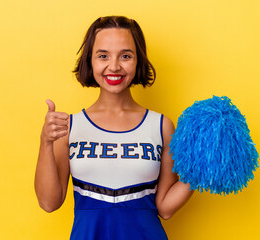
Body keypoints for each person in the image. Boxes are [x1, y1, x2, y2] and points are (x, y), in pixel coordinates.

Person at [35, 16, 194, 240]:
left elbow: (165, 209)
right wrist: (46, 142)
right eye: (103, 56)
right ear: (90, 61)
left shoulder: (161, 126)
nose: (114, 66)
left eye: (126, 56)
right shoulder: (68, 127)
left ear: (138, 60)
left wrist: (203, 168)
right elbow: (49, 203)